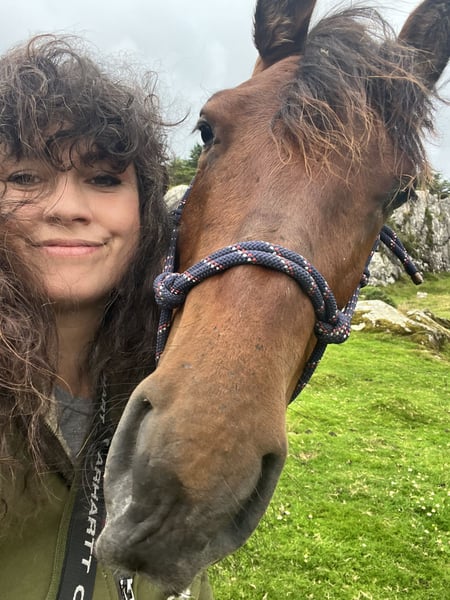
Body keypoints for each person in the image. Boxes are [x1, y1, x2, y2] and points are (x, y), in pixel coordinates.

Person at [0, 34, 213, 600]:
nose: (68, 208)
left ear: (145, 210)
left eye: (103, 179)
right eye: (23, 177)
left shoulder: (168, 387)